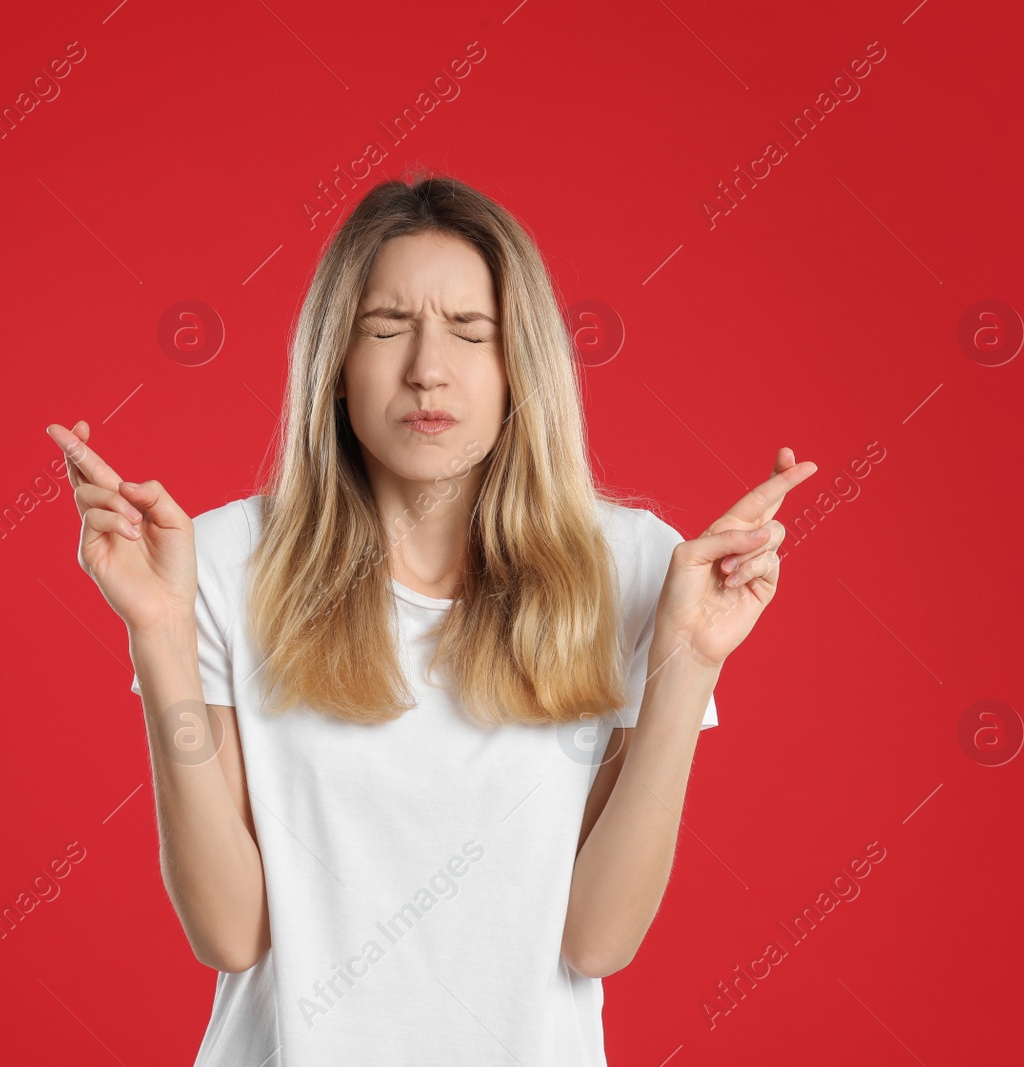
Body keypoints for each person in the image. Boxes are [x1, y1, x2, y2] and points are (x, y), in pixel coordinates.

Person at [46, 174, 815, 1066]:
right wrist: (161, 633)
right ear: (335, 365)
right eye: (385, 327)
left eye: (469, 330)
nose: (426, 369)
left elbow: (598, 940)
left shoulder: (634, 566)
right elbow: (228, 931)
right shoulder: (218, 560)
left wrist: (689, 659)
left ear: (518, 365)